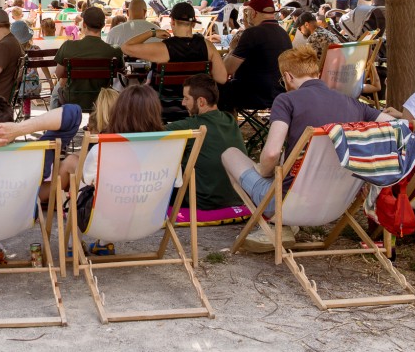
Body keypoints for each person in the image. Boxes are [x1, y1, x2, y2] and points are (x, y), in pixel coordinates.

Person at [221, 46, 391, 249]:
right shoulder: (353, 104)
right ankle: (282, 228)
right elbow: (396, 127)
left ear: (288, 77)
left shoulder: (286, 100)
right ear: (317, 73)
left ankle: (275, 226)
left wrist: (263, 172)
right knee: (288, 157)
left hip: (287, 204)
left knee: (230, 154)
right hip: (337, 203)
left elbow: (271, 153)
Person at [165, 74, 246, 211]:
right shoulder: (230, 120)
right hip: (237, 199)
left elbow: (149, 135)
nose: (183, 103)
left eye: (186, 98)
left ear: (201, 101)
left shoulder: (190, 125)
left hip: (203, 204)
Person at [60, 84, 164, 191]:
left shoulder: (101, 151)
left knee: (72, 162)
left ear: (120, 112)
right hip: (152, 205)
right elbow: (175, 184)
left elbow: (88, 180)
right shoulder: (169, 150)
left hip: (109, 205)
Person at [219, 0, 293, 112]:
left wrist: (232, 48)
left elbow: (227, 69)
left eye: (247, 12)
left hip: (253, 95)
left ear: (253, 13)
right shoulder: (284, 34)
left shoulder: (252, 33)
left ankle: (230, 128)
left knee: (217, 87)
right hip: (279, 94)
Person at [120, 2, 227, 82]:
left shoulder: (164, 49)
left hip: (166, 106)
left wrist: (152, 33)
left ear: (172, 22)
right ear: (193, 24)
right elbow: (222, 78)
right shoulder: (208, 46)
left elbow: (125, 47)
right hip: (198, 104)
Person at [52, 6, 125, 111]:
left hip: (71, 98)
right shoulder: (115, 51)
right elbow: (121, 71)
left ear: (84, 24)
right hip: (101, 100)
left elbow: (58, 74)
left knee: (55, 93)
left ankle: (55, 125)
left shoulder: (68, 46)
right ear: (103, 25)